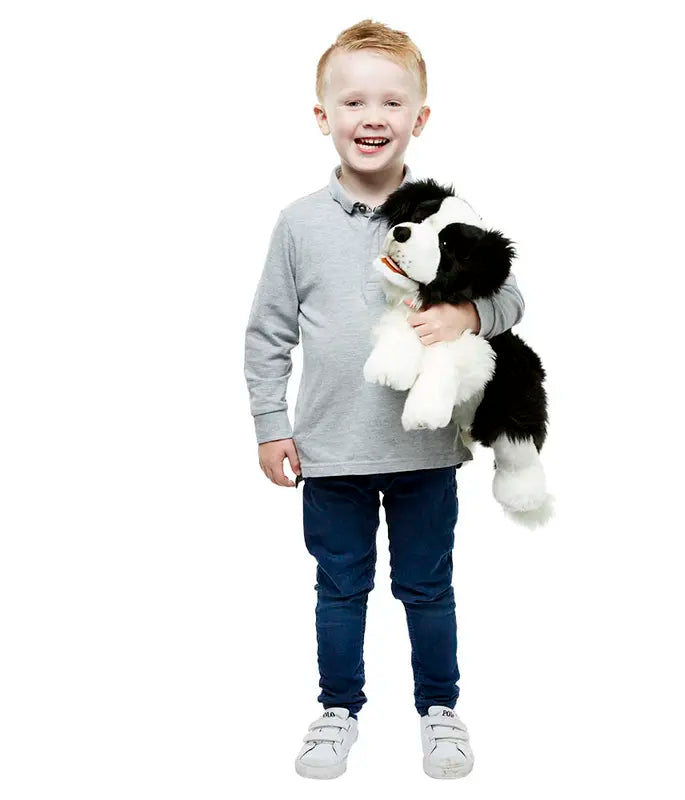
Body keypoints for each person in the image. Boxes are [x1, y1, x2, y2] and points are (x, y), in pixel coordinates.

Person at [243, 19, 525, 780]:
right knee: (340, 588)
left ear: (419, 118)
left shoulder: (447, 215)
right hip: (329, 450)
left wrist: (467, 316)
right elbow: (268, 333)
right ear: (323, 116)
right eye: (354, 102)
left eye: (392, 103)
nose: (373, 118)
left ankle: (439, 709)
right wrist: (271, 426)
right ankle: (338, 709)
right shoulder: (299, 223)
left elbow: (511, 298)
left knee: (427, 586)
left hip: (423, 450)